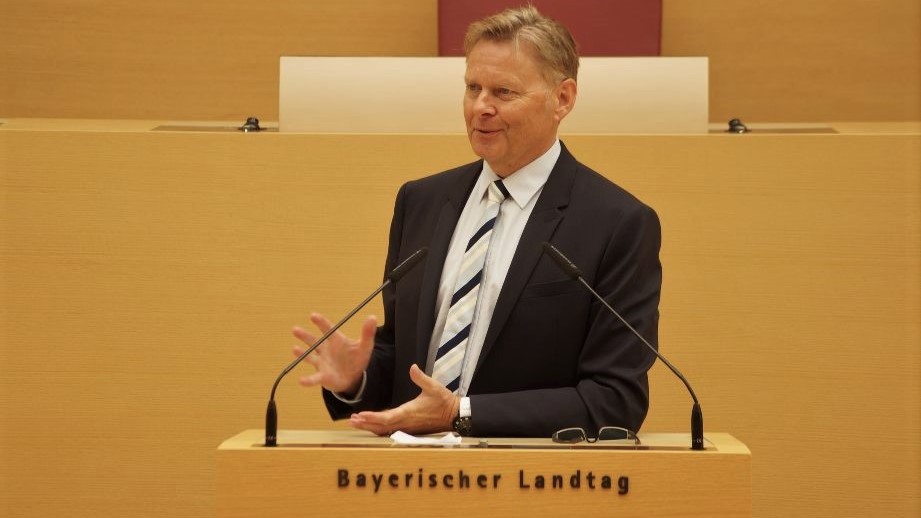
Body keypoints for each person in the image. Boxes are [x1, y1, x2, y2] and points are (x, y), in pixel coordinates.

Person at [292, 6, 661, 438]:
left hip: (532, 487)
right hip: (407, 481)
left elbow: (615, 400)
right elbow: (408, 362)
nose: (480, 107)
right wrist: (360, 379)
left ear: (563, 98)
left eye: (503, 92)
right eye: (472, 88)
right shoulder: (422, 201)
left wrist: (461, 413)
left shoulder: (617, 223)